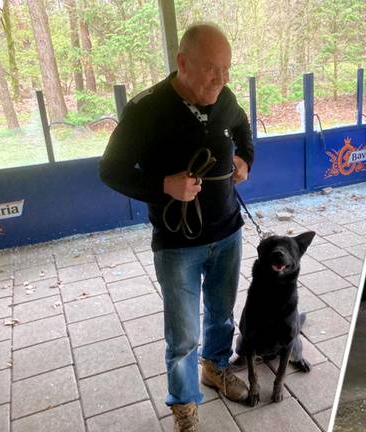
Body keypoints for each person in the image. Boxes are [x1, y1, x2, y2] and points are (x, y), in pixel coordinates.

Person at [99, 22, 253, 432]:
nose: (220, 80)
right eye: (210, 69)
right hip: (176, 243)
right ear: (182, 63)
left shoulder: (225, 97)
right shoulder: (145, 109)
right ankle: (184, 403)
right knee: (182, 336)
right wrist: (162, 186)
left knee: (221, 317)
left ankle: (215, 368)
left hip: (228, 232)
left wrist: (246, 159)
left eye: (226, 70)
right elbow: (109, 170)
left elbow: (241, 126)